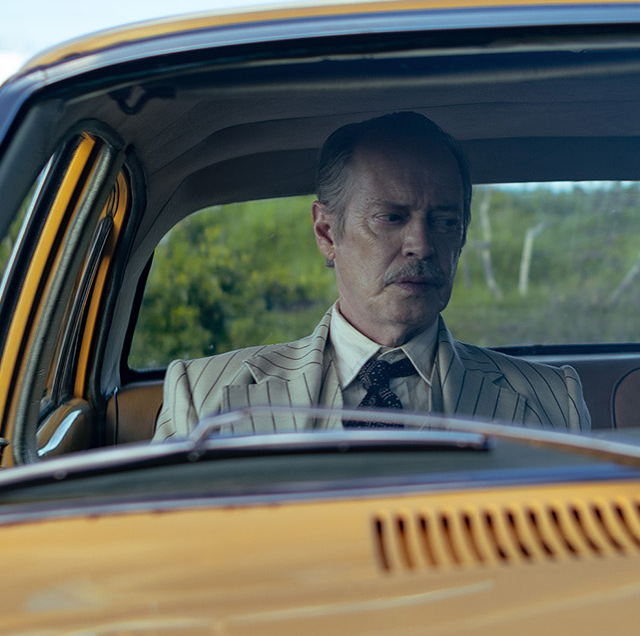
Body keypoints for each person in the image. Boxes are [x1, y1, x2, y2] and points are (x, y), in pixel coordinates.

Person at [154, 111, 590, 437]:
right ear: (327, 233)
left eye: (445, 221)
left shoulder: (553, 402)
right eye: (391, 217)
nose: (421, 244)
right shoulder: (203, 396)